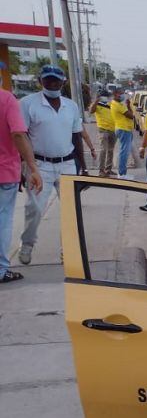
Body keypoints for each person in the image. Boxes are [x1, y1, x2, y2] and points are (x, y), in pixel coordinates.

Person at [17, 65, 86, 266]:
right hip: (39, 165)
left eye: (56, 80)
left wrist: (81, 165)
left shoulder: (71, 106)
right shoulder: (28, 104)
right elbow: (21, 136)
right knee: (35, 209)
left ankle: (68, 249)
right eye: (47, 80)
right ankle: (27, 245)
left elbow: (76, 136)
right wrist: (23, 167)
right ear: (40, 81)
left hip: (67, 164)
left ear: (63, 82)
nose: (52, 83)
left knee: (71, 211)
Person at [0, 87, 43, 284]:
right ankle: (1, 270)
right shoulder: (6, 99)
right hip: (4, 172)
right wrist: (32, 167)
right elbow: (18, 134)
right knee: (3, 221)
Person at [110, 88, 136, 179]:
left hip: (124, 129)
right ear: (116, 94)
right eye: (121, 94)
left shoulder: (117, 104)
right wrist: (128, 106)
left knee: (124, 151)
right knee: (124, 152)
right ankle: (122, 174)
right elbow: (131, 115)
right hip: (123, 129)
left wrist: (128, 105)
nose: (122, 96)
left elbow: (130, 115)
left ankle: (122, 173)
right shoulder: (118, 105)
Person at [93, 88, 116, 176]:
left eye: (106, 96)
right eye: (104, 96)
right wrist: (96, 101)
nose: (105, 98)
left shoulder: (110, 104)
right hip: (103, 130)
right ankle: (101, 170)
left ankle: (108, 169)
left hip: (113, 129)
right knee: (103, 150)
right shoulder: (97, 105)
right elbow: (91, 110)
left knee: (110, 150)